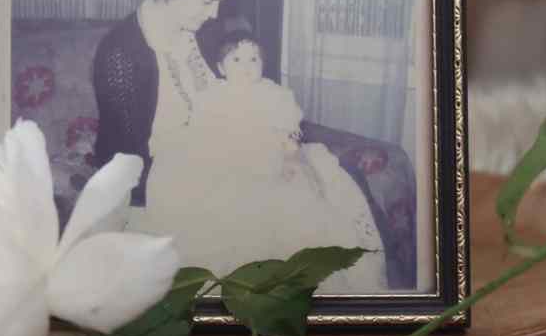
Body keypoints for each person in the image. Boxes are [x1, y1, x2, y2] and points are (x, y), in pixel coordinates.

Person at [126, 30, 388, 293]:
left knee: (292, 203)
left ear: (264, 64)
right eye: (236, 60)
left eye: (254, 60)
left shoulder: (274, 95)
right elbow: (202, 134)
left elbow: (289, 134)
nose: (246, 67)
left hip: (268, 159)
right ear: (220, 67)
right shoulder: (212, 96)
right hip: (225, 160)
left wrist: (290, 159)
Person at [92, 0, 236, 206]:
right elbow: (129, 164)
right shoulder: (120, 55)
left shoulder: (206, 31)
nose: (215, 13)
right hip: (156, 184)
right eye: (209, 0)